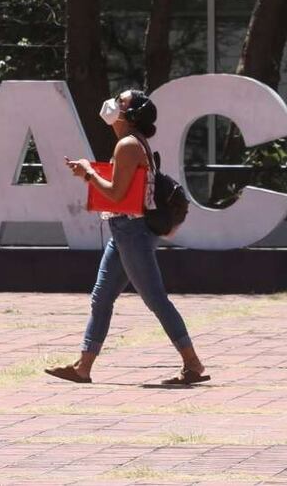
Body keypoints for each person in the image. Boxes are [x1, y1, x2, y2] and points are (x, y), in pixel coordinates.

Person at [45, 89, 209, 386]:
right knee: (102, 297)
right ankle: (83, 367)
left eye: (120, 102)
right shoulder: (131, 143)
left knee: (155, 299)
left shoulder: (128, 145)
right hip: (123, 231)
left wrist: (87, 174)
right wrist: (89, 171)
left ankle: (193, 364)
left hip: (132, 232)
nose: (112, 103)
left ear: (130, 115)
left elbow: (116, 193)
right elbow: (121, 189)